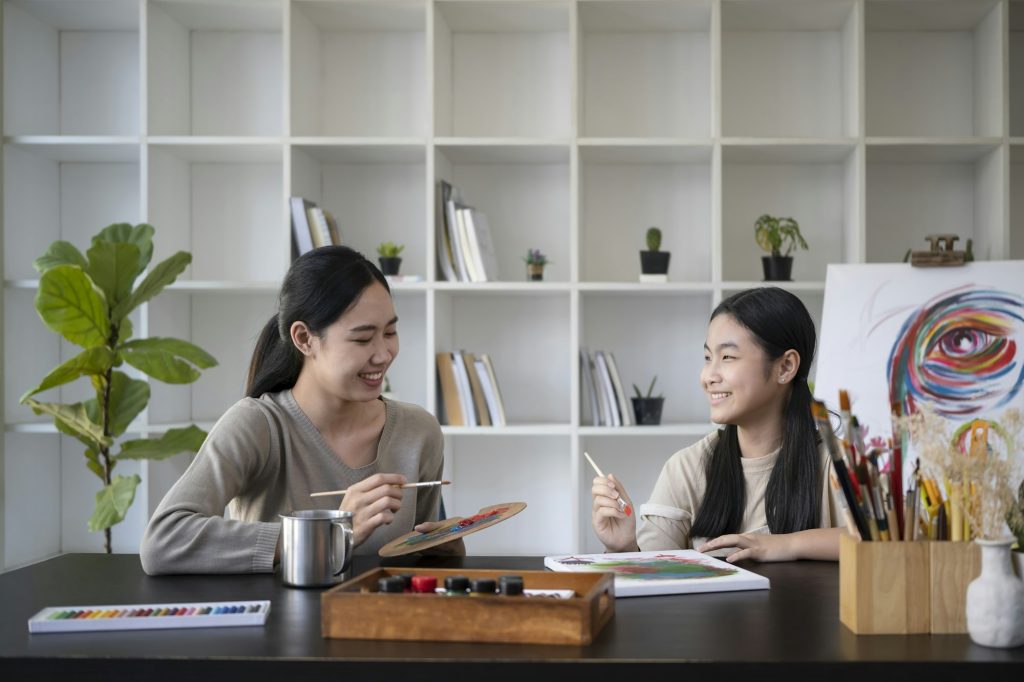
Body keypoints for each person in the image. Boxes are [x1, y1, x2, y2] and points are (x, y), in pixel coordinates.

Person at [141, 246, 459, 574]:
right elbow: (163, 541)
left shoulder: (419, 431)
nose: (384, 354)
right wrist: (328, 533)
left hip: (382, 621)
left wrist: (449, 547)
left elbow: (423, 565)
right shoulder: (257, 425)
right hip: (277, 621)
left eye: (390, 332)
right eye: (363, 339)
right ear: (304, 338)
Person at [591, 287, 843, 563]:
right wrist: (623, 548)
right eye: (708, 358)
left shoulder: (834, 463)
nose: (708, 376)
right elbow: (652, 571)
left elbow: (886, 544)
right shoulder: (687, 469)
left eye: (727, 357)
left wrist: (786, 545)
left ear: (785, 367)